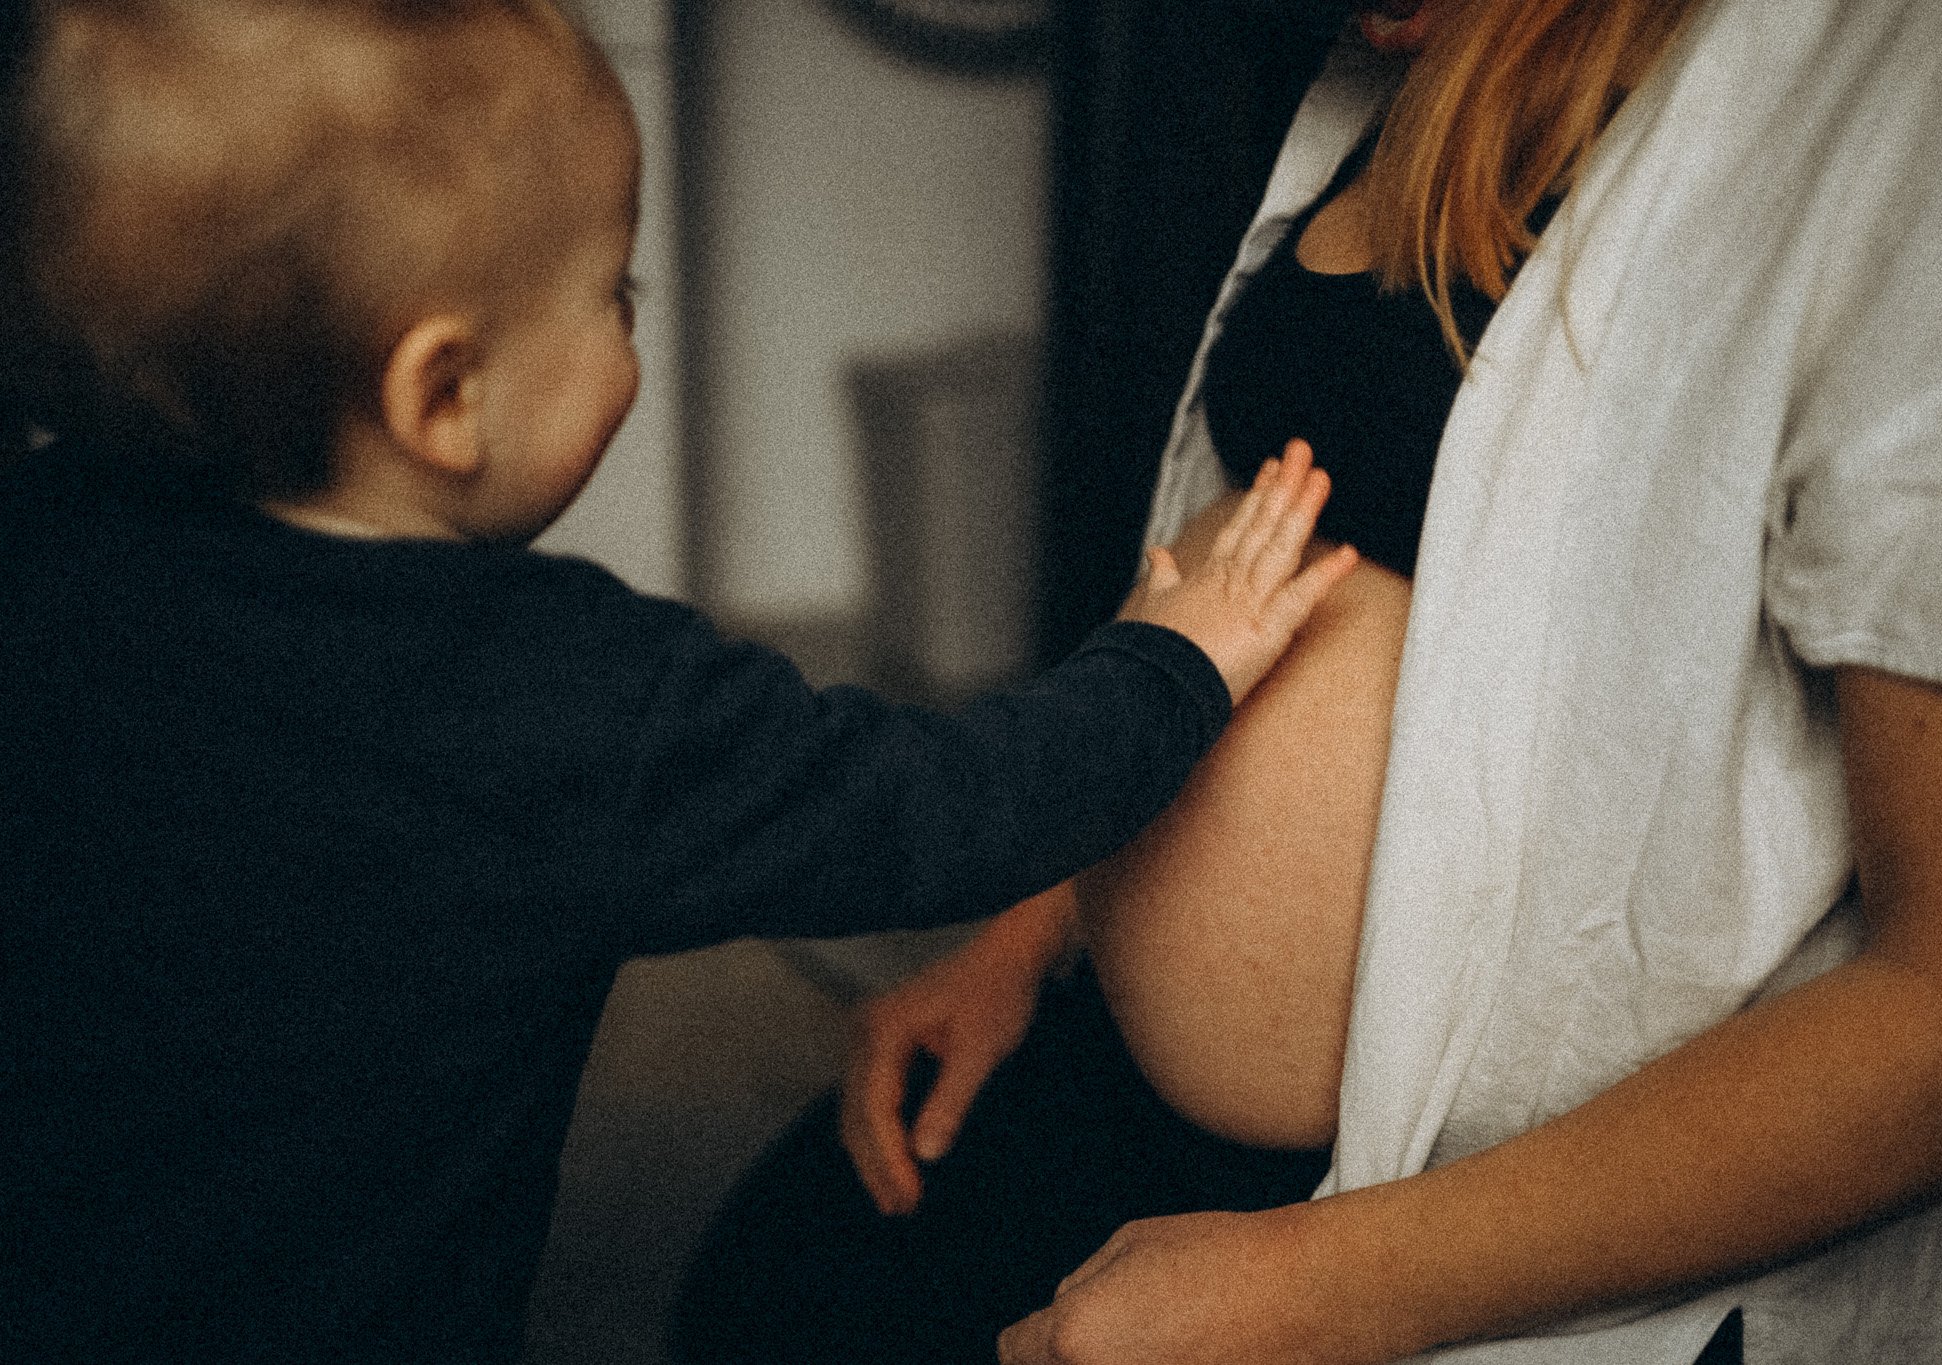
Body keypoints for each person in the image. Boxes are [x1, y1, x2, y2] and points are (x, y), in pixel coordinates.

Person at [683, 0, 1942, 1362]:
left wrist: (1309, 1290)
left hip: (1490, 1212)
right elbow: (1264, 543)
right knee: (767, 1291)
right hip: (1141, 1045)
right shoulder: (1419, 63)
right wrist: (1031, 924)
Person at [0, 2, 1360, 1360]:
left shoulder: (45, 550)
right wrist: (1174, 659)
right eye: (614, 295)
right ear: (444, 396)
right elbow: (939, 807)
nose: (627, 331)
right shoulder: (572, 703)